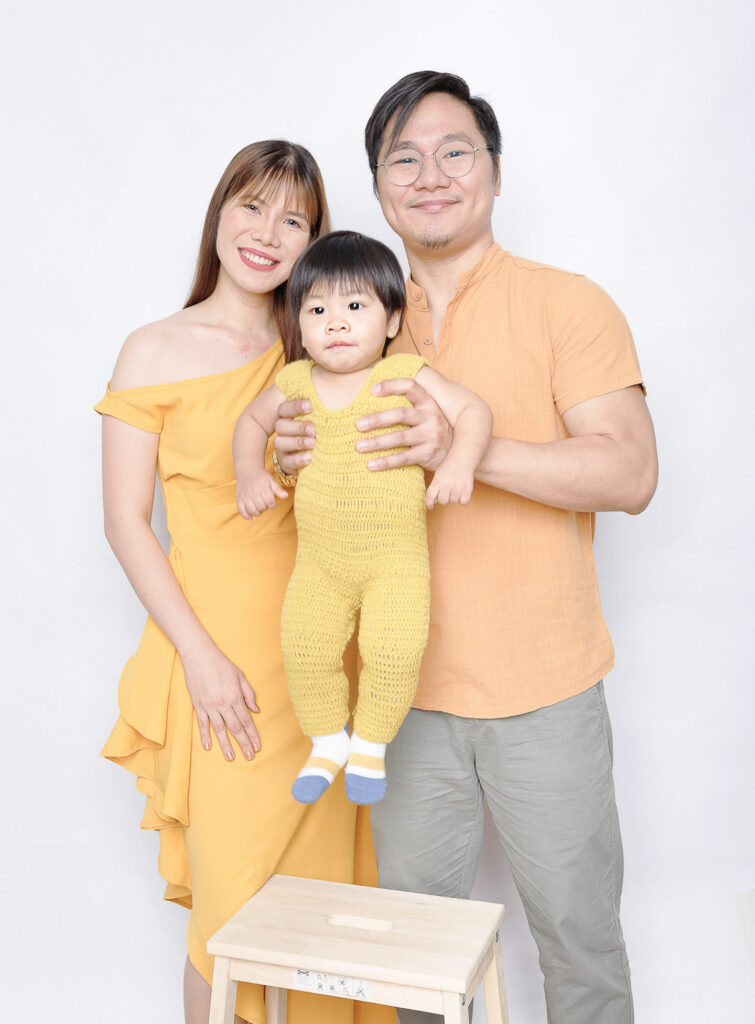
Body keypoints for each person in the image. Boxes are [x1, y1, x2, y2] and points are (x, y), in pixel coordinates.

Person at [274, 72, 659, 1024]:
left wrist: (466, 453)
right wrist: (283, 455)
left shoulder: (566, 304)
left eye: (456, 151)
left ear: (493, 170)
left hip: (545, 690)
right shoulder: (341, 311)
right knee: (417, 966)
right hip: (398, 706)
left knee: (578, 941)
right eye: (403, 157)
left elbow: (629, 476)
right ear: (377, 183)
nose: (430, 173)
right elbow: (311, 487)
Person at [96, 141, 394, 1024]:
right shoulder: (152, 347)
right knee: (229, 918)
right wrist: (198, 657)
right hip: (215, 662)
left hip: (316, 659)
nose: (268, 233)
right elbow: (123, 521)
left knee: (325, 911)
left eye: (293, 218)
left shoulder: (321, 340)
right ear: (219, 214)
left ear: (315, 238)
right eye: (252, 206)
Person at [232, 230, 492, 806]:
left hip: (394, 563)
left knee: (395, 650)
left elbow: (473, 410)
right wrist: (251, 473)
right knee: (304, 648)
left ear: (393, 319)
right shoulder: (295, 382)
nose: (336, 323)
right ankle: (328, 742)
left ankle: (370, 745)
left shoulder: (402, 375)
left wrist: (459, 465)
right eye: (318, 309)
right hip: (320, 563)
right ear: (298, 324)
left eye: (355, 307)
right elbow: (251, 425)